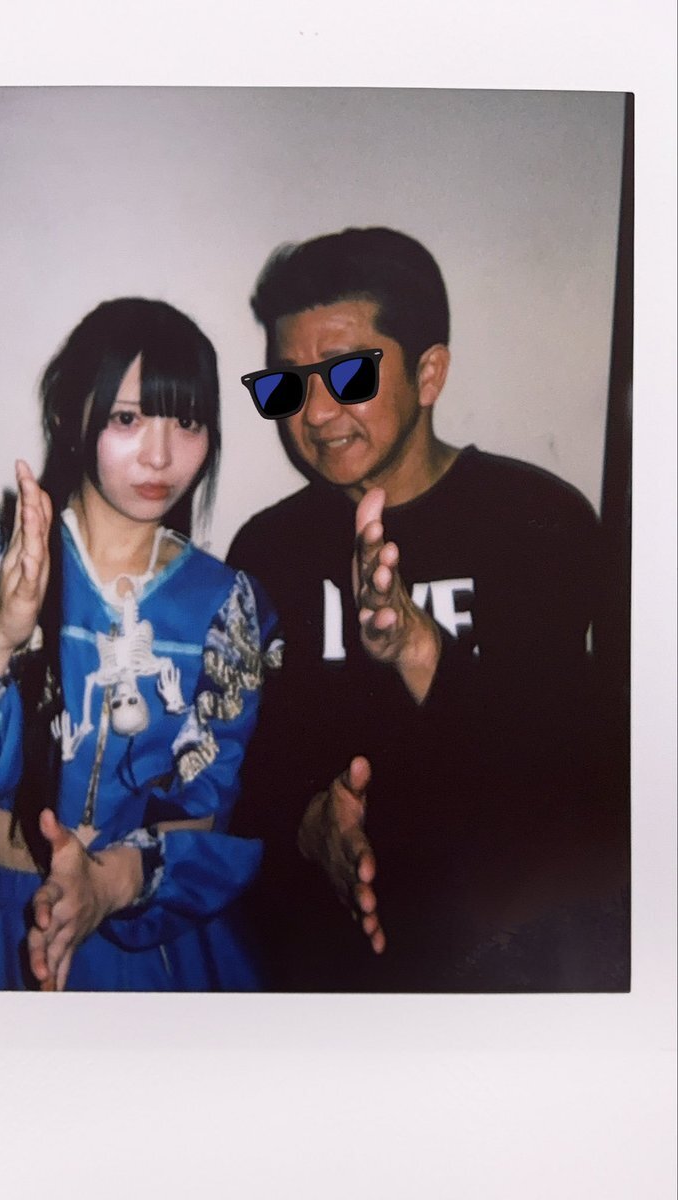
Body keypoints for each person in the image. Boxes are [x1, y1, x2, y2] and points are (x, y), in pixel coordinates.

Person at [229, 226, 629, 992]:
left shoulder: (538, 521)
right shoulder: (266, 550)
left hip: (506, 959)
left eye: (347, 374)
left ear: (429, 372)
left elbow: (578, 779)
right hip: (322, 965)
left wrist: (421, 650)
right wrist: (309, 827)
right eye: (288, 384)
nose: (315, 414)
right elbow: (245, 768)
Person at [0, 297, 281, 991]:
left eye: (187, 422)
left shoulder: (224, 607)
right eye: (128, 418)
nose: (160, 456)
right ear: (69, 416)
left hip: (148, 945)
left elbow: (207, 809)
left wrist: (108, 884)